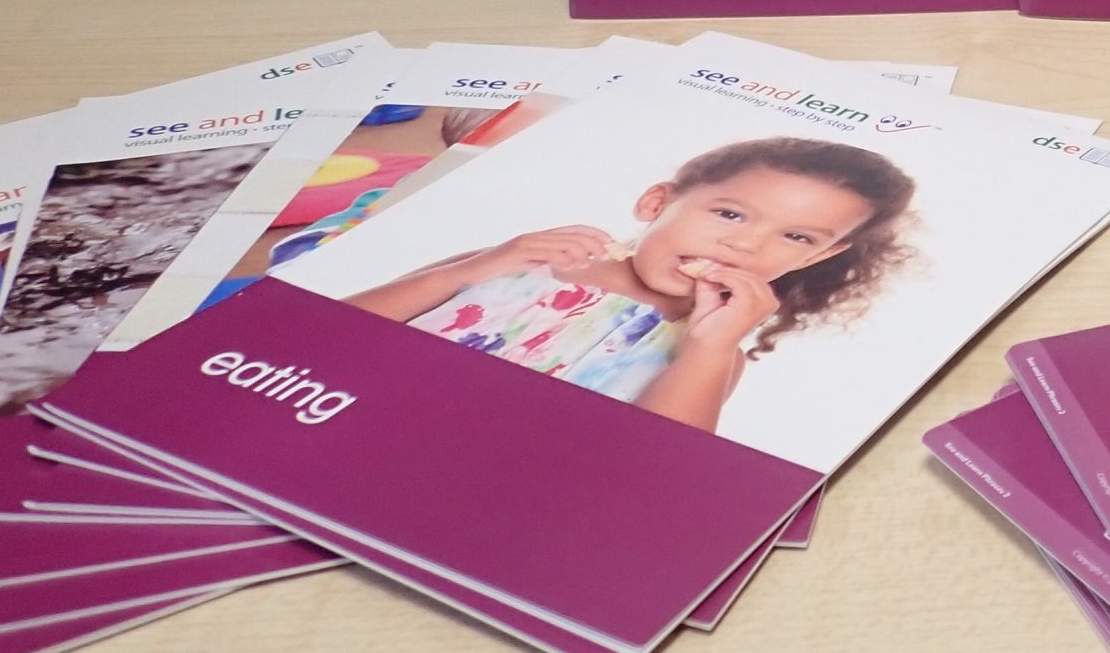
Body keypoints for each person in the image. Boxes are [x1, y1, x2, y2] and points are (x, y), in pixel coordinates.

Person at [344, 136, 915, 435]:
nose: (744, 245)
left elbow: (658, 464)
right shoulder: (532, 264)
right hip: (347, 417)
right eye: (730, 214)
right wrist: (463, 273)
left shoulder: (710, 354)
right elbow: (328, 331)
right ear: (657, 202)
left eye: (795, 236)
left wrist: (710, 348)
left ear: (821, 256)